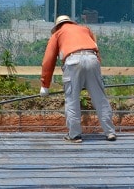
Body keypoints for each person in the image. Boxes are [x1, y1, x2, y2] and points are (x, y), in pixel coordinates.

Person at [40, 15, 117, 143]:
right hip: (92, 59)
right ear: (71, 22)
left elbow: (48, 61)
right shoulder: (85, 29)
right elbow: (96, 51)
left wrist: (45, 85)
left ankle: (74, 135)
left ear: (57, 26)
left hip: (73, 61)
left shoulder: (57, 34)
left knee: (72, 99)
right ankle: (110, 132)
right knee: (100, 98)